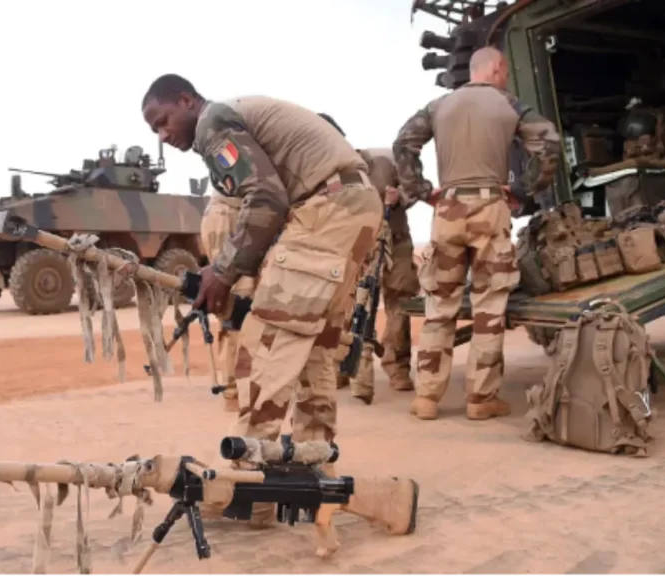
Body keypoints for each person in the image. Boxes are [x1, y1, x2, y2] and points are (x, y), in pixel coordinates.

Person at [141, 74, 383, 448]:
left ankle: (247, 470)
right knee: (315, 346)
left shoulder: (212, 123)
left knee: (266, 341)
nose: (162, 136)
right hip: (351, 207)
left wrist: (223, 271)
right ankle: (311, 459)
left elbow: (266, 197)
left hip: (327, 207)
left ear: (186, 101)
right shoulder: (233, 117)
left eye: (162, 121)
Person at [390, 46, 561, 421]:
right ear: (497, 68)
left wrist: (422, 191)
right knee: (489, 308)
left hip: (447, 209)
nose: (506, 78)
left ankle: (427, 398)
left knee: (439, 307)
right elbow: (549, 144)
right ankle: (481, 400)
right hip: (490, 207)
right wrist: (522, 190)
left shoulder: (439, 106)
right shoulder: (510, 105)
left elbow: (403, 143)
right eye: (506, 72)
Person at [317, 113, 421, 405]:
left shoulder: (384, 160)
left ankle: (397, 366)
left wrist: (399, 198)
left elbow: (415, 188)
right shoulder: (324, 176)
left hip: (395, 242)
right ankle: (343, 365)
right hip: (353, 247)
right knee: (345, 306)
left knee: (400, 300)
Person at [198, 186, 255, 413]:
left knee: (235, 303)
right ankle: (235, 393)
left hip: (232, 211)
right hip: (231, 214)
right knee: (237, 305)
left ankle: (237, 391)